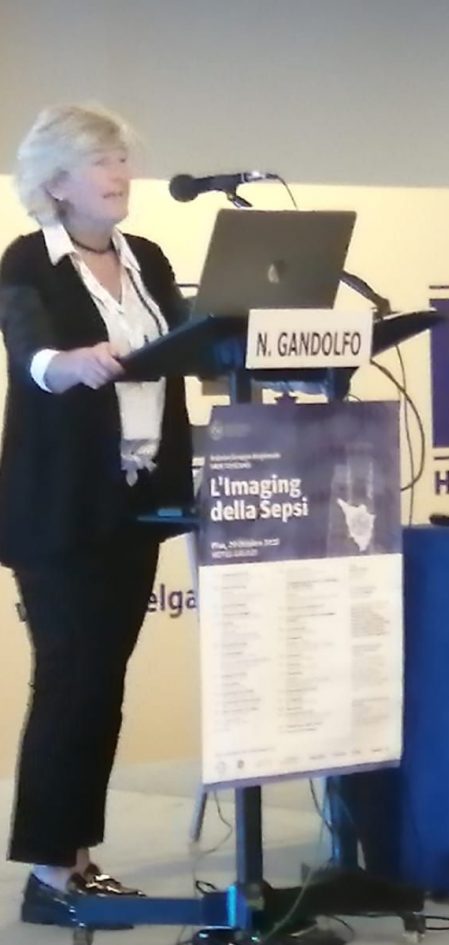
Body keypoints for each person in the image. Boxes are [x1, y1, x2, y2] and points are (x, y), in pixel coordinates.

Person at [0, 104, 193, 926]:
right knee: (71, 681)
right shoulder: (28, 260)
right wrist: (68, 363)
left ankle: (75, 861)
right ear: (56, 182)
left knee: (101, 684)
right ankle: (51, 875)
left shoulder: (147, 257)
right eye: (102, 161)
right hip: (59, 509)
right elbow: (30, 350)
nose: (121, 174)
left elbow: (187, 342)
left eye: (122, 158)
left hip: (135, 501)